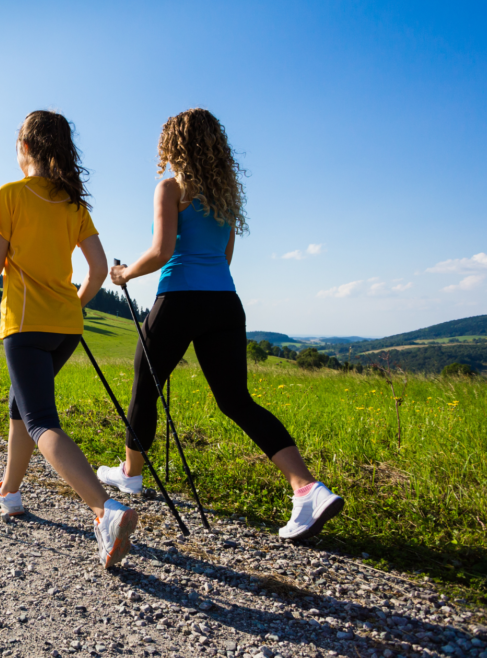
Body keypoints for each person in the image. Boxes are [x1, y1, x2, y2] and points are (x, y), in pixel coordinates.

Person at [98, 108, 344, 540]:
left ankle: (131, 475)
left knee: (144, 382)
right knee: (236, 400)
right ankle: (307, 488)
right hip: (225, 302)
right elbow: (224, 257)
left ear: (173, 145)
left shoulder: (170, 188)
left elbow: (161, 250)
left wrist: (124, 275)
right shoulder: (225, 196)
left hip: (178, 298)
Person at [0, 110, 139, 568]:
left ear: (27, 147)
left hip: (24, 325)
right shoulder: (75, 205)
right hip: (66, 327)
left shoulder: (9, 194)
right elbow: (98, 270)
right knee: (20, 406)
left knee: (40, 421)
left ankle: (106, 511)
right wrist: (75, 303)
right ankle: (9, 492)